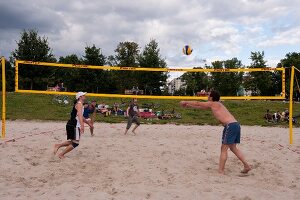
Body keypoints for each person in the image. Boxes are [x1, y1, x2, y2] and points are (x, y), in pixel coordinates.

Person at [180, 91, 251, 175]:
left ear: (212, 98)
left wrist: (185, 101)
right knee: (232, 148)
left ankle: (221, 171)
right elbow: (202, 107)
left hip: (230, 126)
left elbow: (198, 103)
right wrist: (189, 106)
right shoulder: (216, 104)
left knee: (224, 148)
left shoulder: (214, 104)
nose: (207, 96)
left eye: (208, 95)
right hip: (235, 125)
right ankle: (246, 166)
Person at [54, 92, 86, 159]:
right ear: (80, 97)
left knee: (72, 141)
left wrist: (86, 122)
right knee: (75, 143)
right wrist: (82, 126)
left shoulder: (78, 104)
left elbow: (80, 116)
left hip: (71, 124)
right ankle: (61, 154)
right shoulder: (79, 104)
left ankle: (58, 145)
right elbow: (80, 115)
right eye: (83, 95)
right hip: (75, 125)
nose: (85, 96)